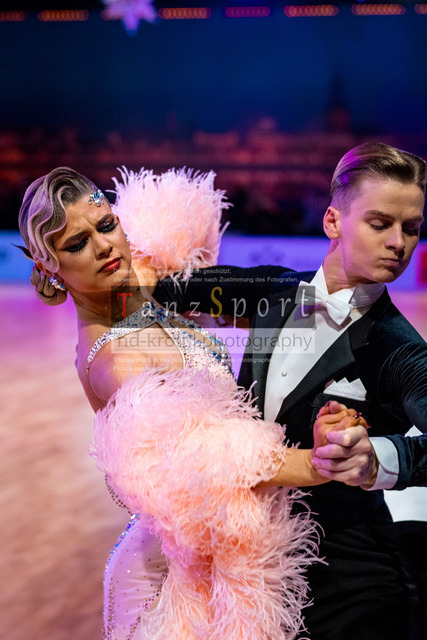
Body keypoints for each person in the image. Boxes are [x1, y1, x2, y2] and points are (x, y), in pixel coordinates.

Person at [17, 166, 363, 640]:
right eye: (77, 244)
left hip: (214, 557)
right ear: (49, 268)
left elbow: (191, 227)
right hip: (173, 581)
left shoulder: (137, 284)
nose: (103, 247)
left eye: (106, 225)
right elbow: (210, 458)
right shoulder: (118, 360)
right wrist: (317, 462)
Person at [154, 142, 427, 640]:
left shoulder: (401, 349)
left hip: (347, 581)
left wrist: (380, 460)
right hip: (244, 560)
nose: (399, 243)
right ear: (333, 222)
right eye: (380, 223)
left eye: (411, 228)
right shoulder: (274, 290)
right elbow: (164, 288)